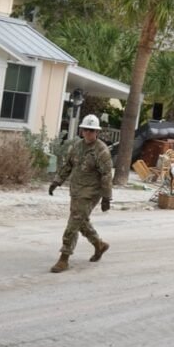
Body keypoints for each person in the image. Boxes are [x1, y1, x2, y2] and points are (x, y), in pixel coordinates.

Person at [48, 114, 112, 273]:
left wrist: (106, 197)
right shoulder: (76, 146)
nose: (88, 133)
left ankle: (64, 257)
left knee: (74, 222)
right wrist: (57, 181)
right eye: (85, 130)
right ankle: (99, 244)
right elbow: (67, 166)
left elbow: (106, 175)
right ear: (82, 130)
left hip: (91, 192)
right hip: (76, 190)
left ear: (96, 132)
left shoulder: (101, 150)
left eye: (91, 130)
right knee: (81, 221)